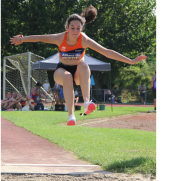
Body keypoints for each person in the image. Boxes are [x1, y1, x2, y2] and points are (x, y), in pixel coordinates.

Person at [10, 6, 147, 125]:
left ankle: (87, 101)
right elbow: (40, 37)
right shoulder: (60, 38)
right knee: (67, 77)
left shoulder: (84, 39)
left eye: (78, 28)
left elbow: (106, 52)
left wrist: (131, 60)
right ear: (67, 28)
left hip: (78, 73)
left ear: (81, 28)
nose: (75, 31)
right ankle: (71, 115)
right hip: (62, 70)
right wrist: (22, 39)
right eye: (72, 28)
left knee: (84, 66)